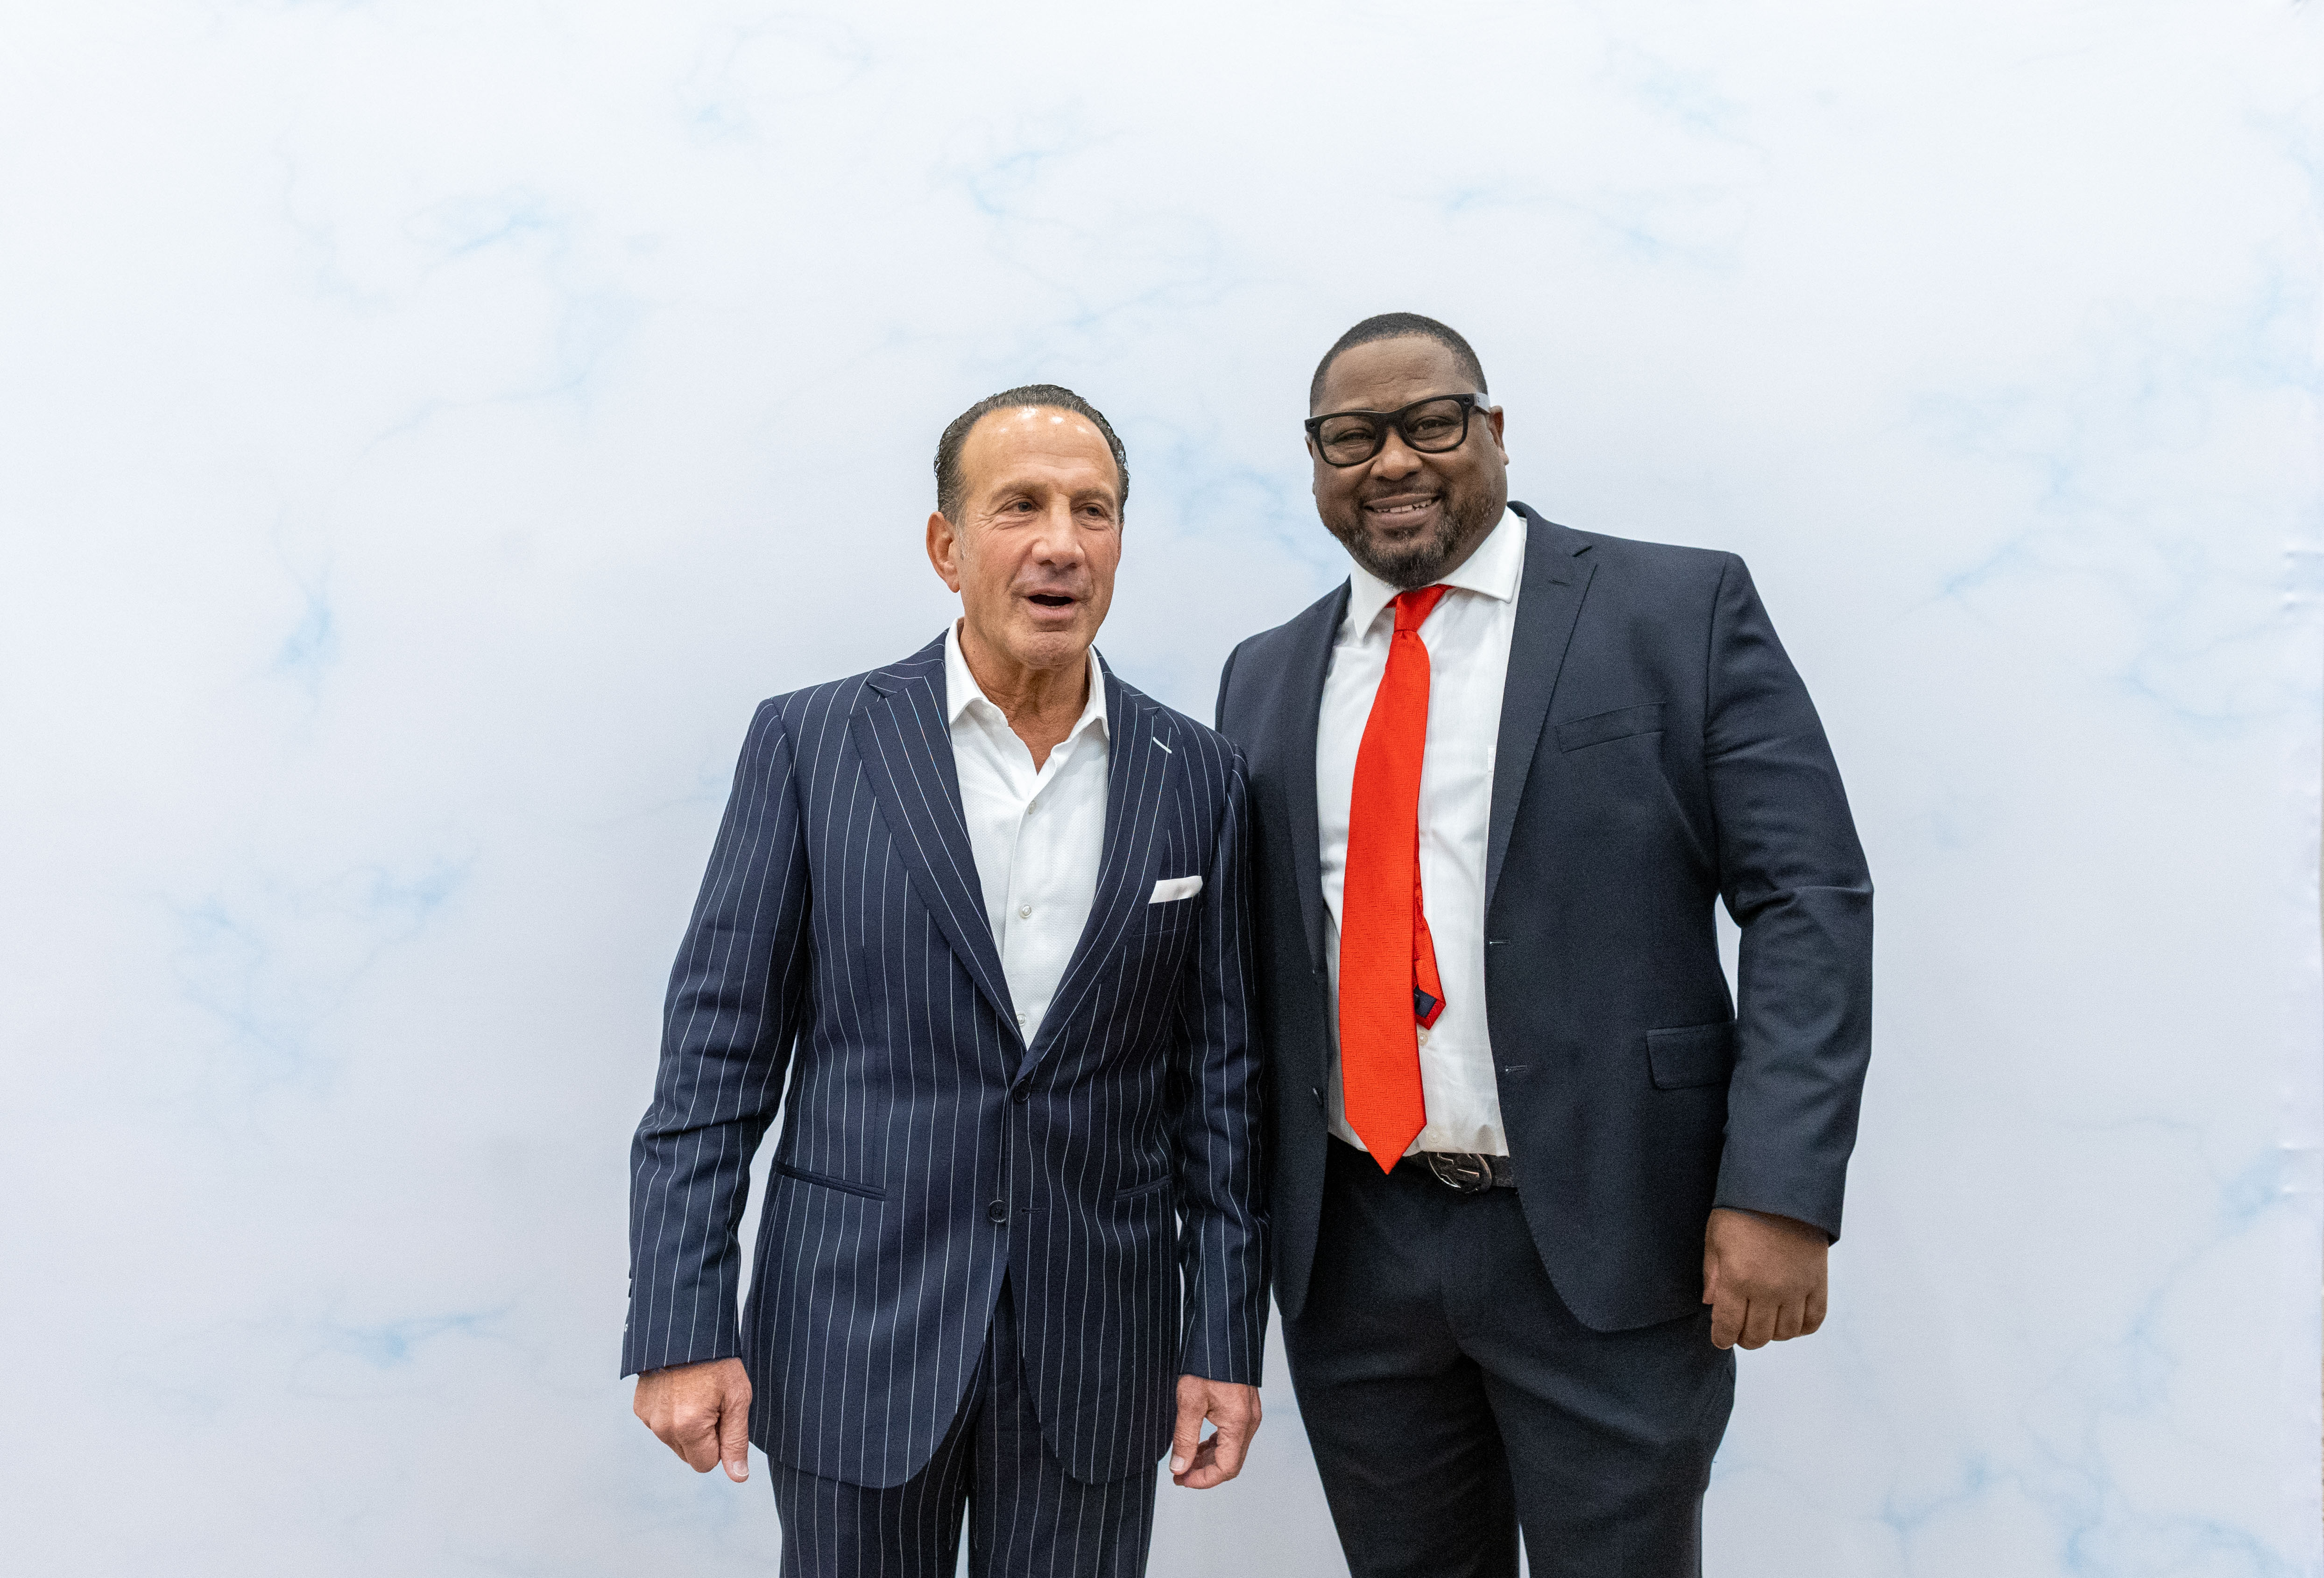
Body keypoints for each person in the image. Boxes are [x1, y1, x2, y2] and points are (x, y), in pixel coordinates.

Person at [1214, 314, 1873, 1576]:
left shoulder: (1676, 609)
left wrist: (1778, 1189)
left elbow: (1808, 898)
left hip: (1612, 1234)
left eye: (1431, 423)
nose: (1391, 461)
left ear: (1496, 432)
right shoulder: (1263, 675)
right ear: (1315, 463)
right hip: (1356, 1249)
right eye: (1350, 437)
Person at [623, 385, 1266, 1578]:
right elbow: (715, 1059)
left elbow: (1221, 1094)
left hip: (1097, 1354)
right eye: (1021, 505)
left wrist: (1224, 1339)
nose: (1061, 542)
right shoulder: (813, 743)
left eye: (1093, 510)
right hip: (853, 1335)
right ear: (947, 546)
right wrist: (679, 1323)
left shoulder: (1201, 774)